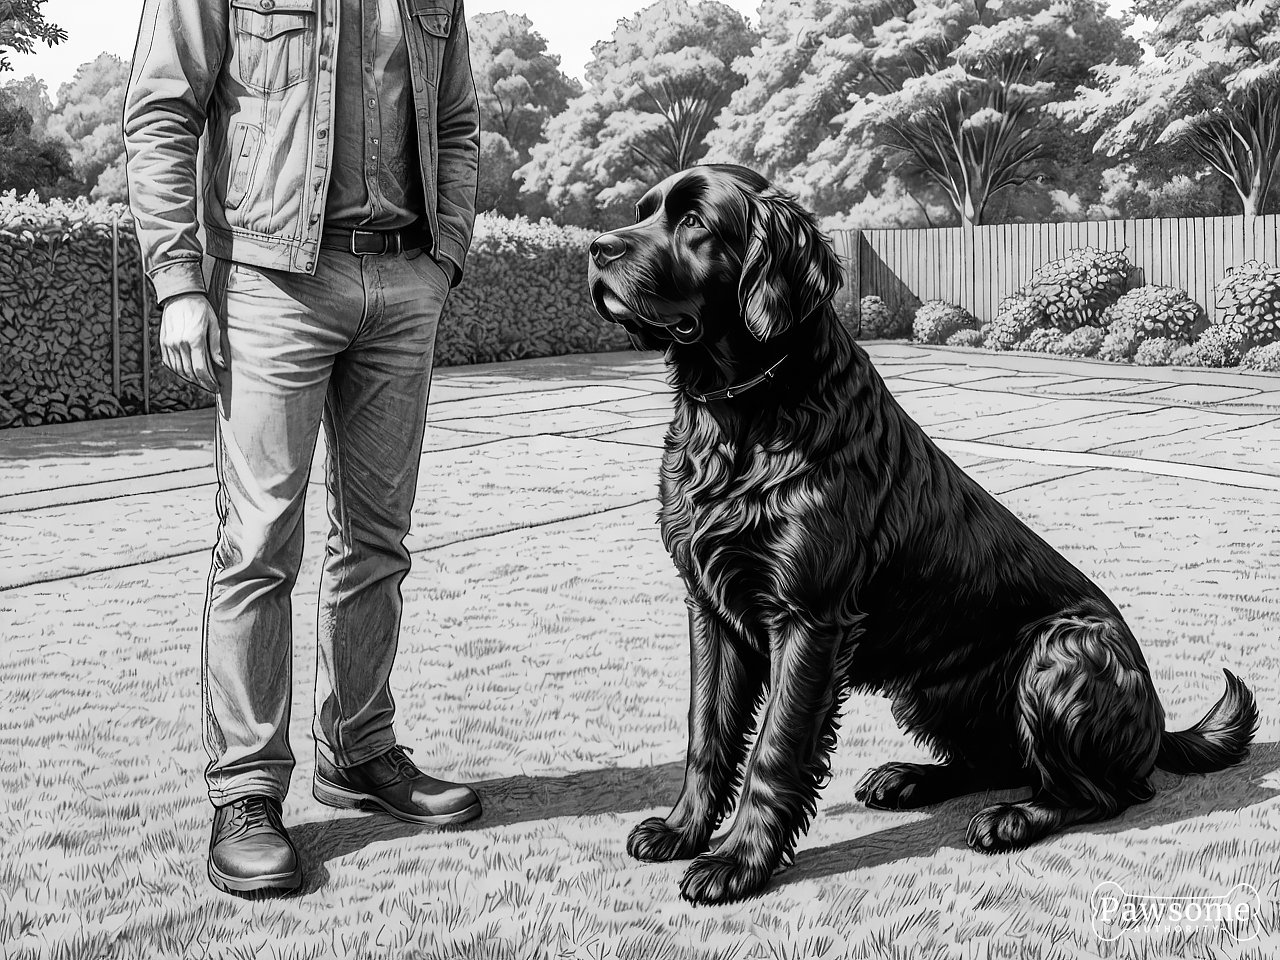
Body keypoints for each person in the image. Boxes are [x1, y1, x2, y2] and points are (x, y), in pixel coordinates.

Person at [123, 0, 482, 896]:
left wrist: (447, 258)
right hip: (274, 282)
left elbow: (457, 120)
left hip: (404, 282)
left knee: (378, 542)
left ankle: (359, 750)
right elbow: (163, 107)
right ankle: (245, 790)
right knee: (257, 546)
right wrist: (178, 280)